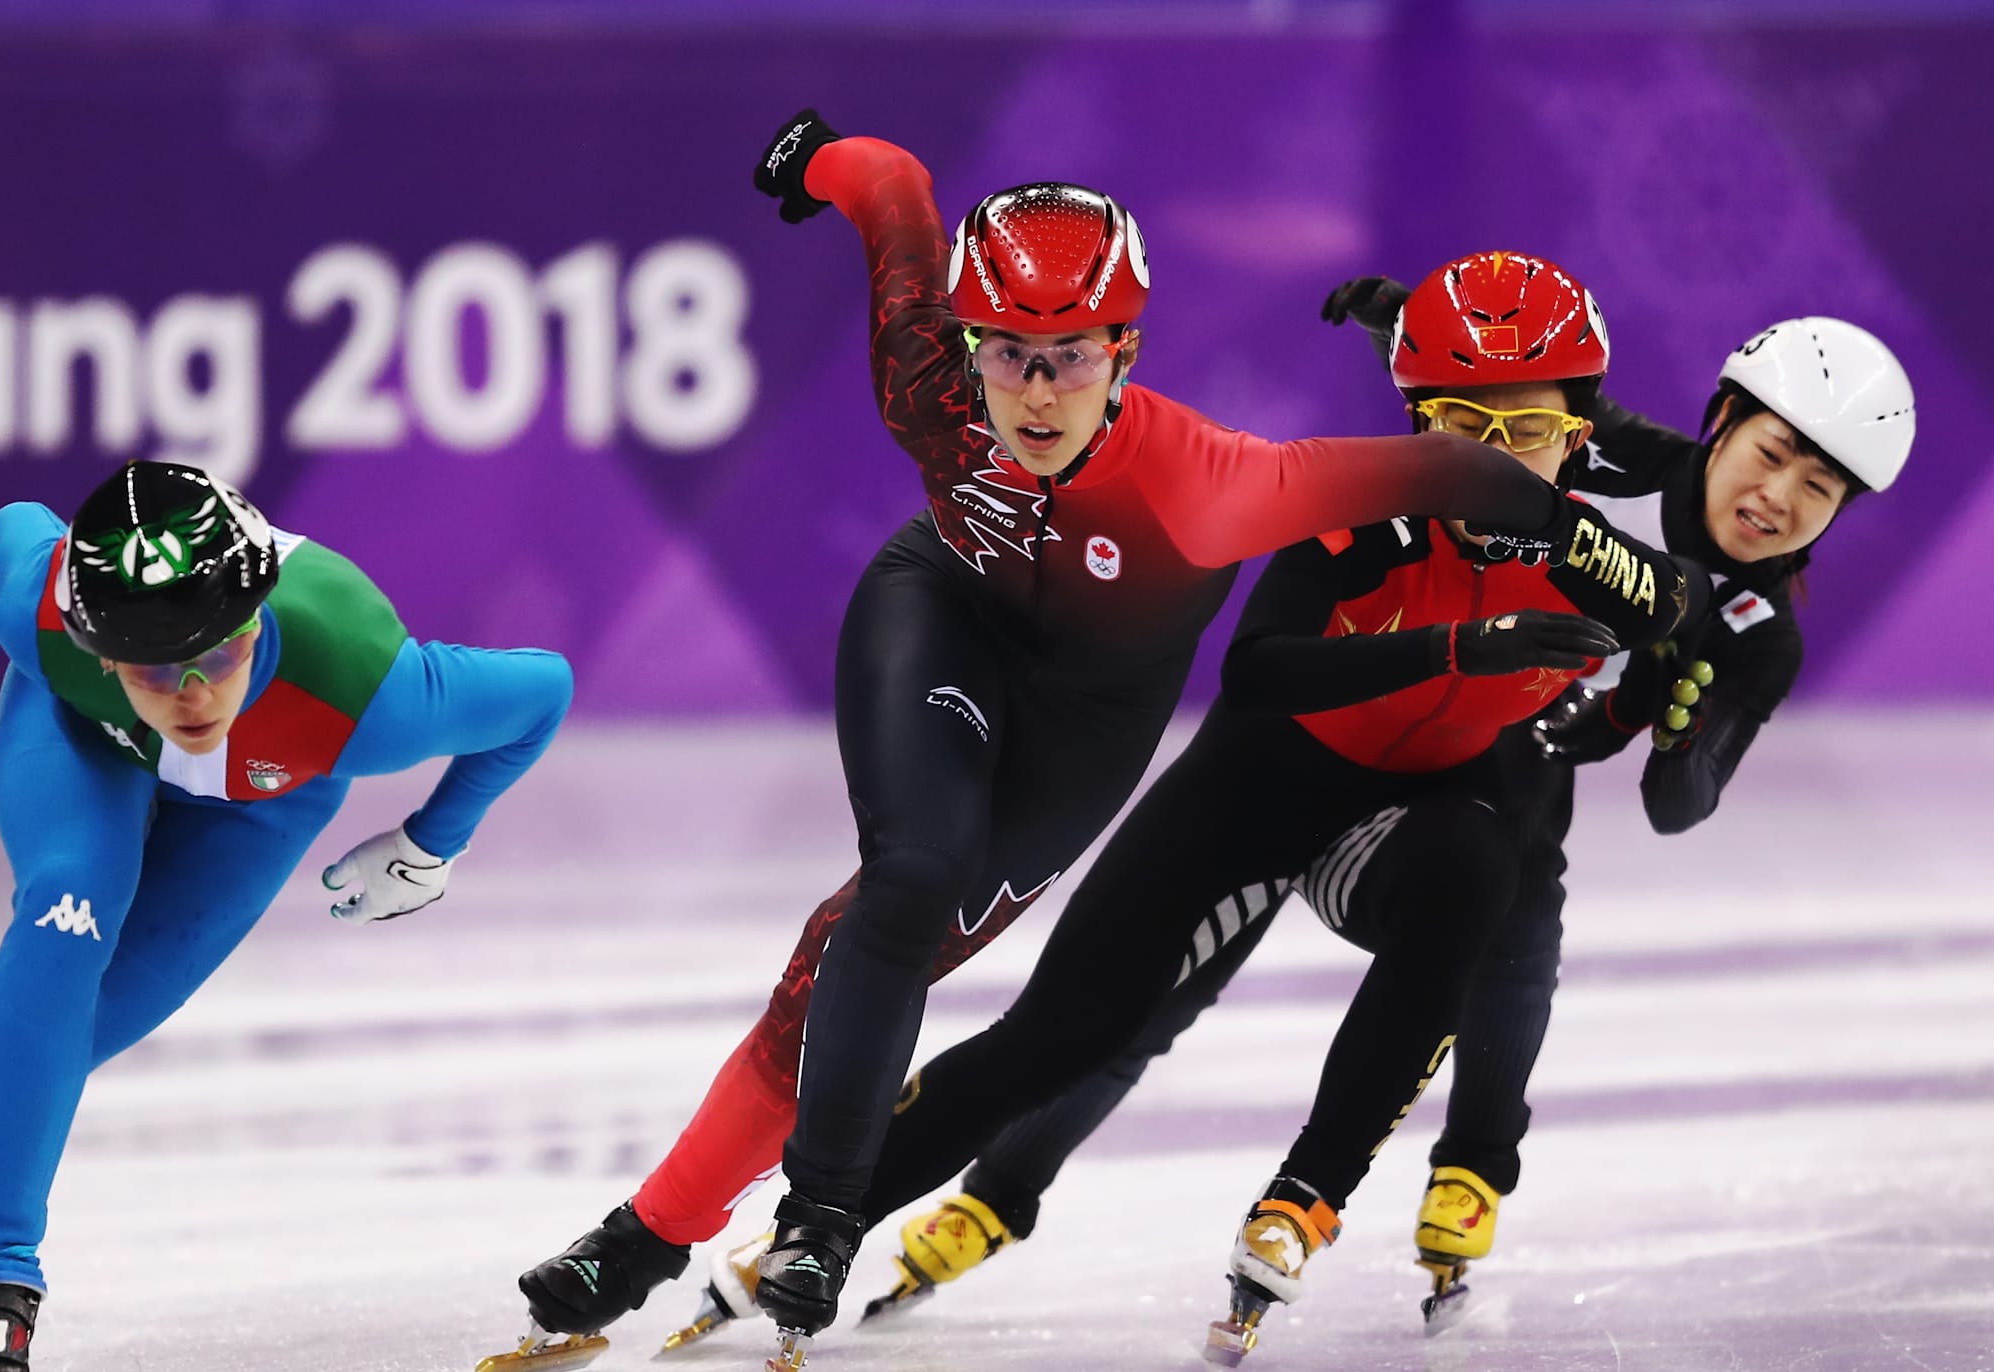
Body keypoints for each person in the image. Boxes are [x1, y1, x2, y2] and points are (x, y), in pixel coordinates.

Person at [480, 105, 1602, 1372]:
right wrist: (820, 162)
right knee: (895, 895)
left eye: (1069, 354)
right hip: (940, 620)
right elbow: (897, 192)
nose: (1033, 389)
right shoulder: (932, 389)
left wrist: (1609, 553)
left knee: (882, 973)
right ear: (968, 345)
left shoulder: (1215, 480)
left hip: (1082, 733)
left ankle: (650, 1237)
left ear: (1123, 350)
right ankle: (805, 1225)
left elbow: (1446, 470)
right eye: (1006, 353)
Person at [837, 302, 1917, 1345]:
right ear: (1721, 419)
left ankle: (1475, 1164)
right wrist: (1400, 320)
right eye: (1770, 453)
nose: (1776, 497)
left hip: (1508, 748)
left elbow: (1676, 805)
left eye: (1818, 488)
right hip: (1382, 698)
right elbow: (1490, 392)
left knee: (1517, 915)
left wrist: (1671, 738)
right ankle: (998, 1189)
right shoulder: (1620, 456)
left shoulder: (1759, 633)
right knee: (1158, 988)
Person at [705, 250, 1707, 1367]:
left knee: (1481, 875)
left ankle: (1307, 1193)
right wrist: (1467, 645)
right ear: (1416, 427)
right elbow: (1261, 669)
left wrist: (1650, 692)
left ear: (1579, 437)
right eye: (1459, 428)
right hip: (1264, 777)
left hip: (1426, 809)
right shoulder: (1364, 514)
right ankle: (826, 1221)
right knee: (1060, 1038)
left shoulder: (1588, 550)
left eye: (1525, 432)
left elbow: (1675, 602)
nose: (1492, 460)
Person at [0, 460, 574, 1372]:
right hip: (89, 740)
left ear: (258, 617)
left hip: (263, 804)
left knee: (46, 1045)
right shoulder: (50, 618)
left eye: (220, 652)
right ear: (99, 651)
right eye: (158, 669)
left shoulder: (366, 688)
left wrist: (429, 843)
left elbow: (543, 689)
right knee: (64, 911)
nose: (195, 695)